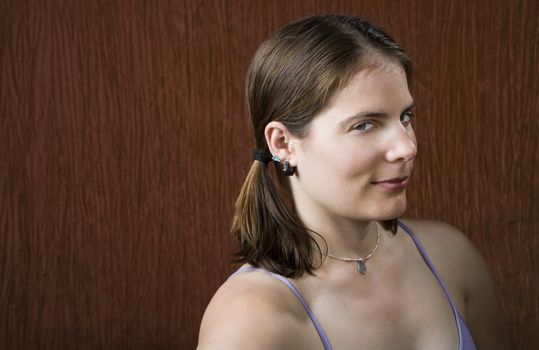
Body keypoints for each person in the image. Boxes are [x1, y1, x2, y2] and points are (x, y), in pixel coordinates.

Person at [197, 14, 514, 350]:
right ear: (283, 143)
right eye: (364, 125)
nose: (407, 147)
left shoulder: (451, 257)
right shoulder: (250, 319)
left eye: (405, 117)